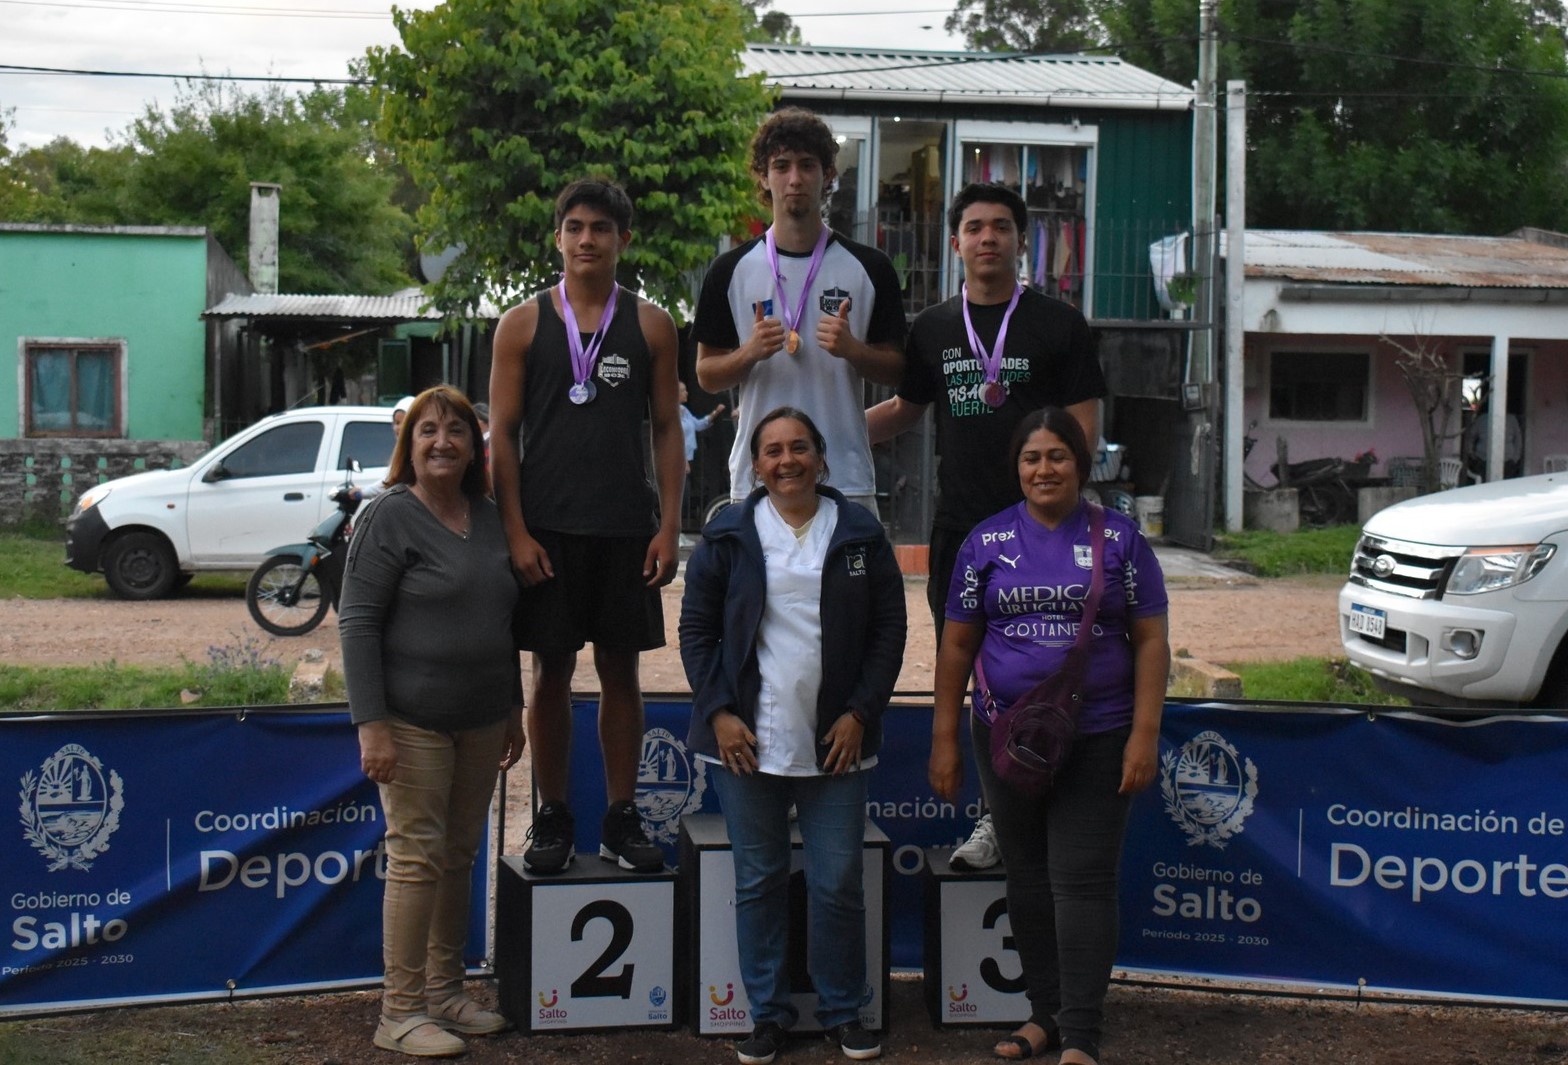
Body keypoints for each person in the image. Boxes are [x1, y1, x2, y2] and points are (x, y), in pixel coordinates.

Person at [868, 182, 1107, 871]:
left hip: (1041, 536)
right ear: (955, 242)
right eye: (974, 227)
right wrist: (829, 436)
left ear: (1020, 239)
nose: (988, 238)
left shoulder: (1059, 325)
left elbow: (1082, 429)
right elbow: (906, 409)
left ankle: (1043, 806)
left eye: (1001, 226)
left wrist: (1061, 511)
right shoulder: (935, 328)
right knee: (972, 677)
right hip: (962, 535)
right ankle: (996, 813)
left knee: (1039, 672)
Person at [928, 407, 1169, 1065]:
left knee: (1082, 881)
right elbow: (955, 646)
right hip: (1007, 737)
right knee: (1028, 880)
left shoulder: (1121, 540)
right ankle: (1043, 1017)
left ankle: (1082, 1035)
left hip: (1100, 734)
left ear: (1081, 465)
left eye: (1057, 456)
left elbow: (1150, 641)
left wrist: (1144, 732)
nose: (1043, 469)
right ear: (1017, 468)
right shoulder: (984, 542)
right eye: (1031, 458)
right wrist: (944, 735)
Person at [680, 407, 906, 1065]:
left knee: (837, 880)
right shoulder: (728, 532)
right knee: (758, 880)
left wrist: (861, 711)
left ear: (821, 457)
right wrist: (720, 712)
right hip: (745, 740)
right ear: (756, 465)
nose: (787, 460)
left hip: (837, 739)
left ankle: (843, 1010)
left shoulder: (860, 532)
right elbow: (697, 633)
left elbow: (889, 631)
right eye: (773, 450)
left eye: (799, 447)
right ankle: (768, 1015)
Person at [489, 178, 684, 875]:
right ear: (557, 237)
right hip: (546, 529)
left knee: (622, 670)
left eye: (601, 228)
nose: (586, 240)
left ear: (623, 239)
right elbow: (502, 436)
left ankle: (621, 813)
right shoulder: (521, 324)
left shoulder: (653, 324)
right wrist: (515, 531)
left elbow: (667, 428)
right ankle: (553, 813)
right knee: (549, 671)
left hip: (625, 525)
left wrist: (669, 526)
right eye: (574, 227)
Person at [339, 385, 526, 1059]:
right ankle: (401, 1010)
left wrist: (513, 706)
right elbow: (357, 623)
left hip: (480, 719)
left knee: (458, 855)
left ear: (476, 445)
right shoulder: (389, 515)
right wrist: (371, 724)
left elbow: (504, 622)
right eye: (427, 430)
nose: (442, 440)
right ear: (408, 444)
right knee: (416, 858)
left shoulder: (489, 514)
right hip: (410, 719)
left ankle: (447, 991)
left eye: (456, 429)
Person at [693, 106, 907, 514]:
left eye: (808, 166)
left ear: (828, 174)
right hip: (760, 479)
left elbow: (897, 368)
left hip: (845, 477)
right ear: (763, 175)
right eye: (782, 166)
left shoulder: (870, 267)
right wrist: (750, 352)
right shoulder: (729, 270)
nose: (794, 179)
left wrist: (853, 350)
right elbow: (706, 375)